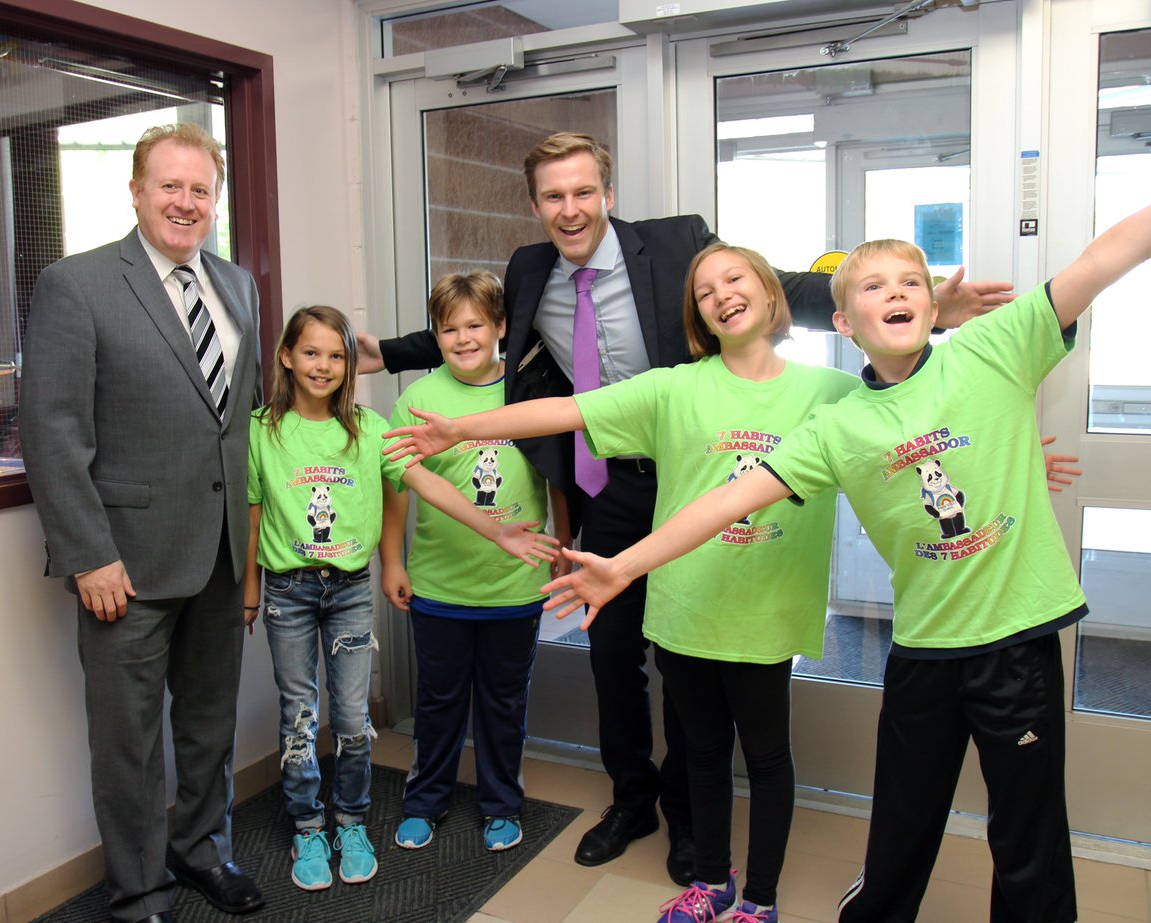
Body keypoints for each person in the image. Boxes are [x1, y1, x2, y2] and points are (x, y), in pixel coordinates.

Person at [358, 130, 1015, 884]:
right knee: (612, 653)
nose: (569, 210)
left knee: (685, 652)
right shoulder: (530, 265)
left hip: (696, 465)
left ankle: (691, 822)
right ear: (535, 203)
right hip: (613, 477)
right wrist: (391, 354)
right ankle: (632, 798)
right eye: (552, 197)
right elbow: (478, 329)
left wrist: (923, 310)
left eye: (582, 193)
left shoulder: (677, 243)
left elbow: (775, 286)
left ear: (606, 192)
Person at [539, 204, 1151, 922]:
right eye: (874, 286)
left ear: (933, 304)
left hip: (1017, 644)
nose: (896, 292)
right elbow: (727, 501)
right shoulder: (838, 421)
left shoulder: (994, 347)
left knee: (1028, 834)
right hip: (923, 647)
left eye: (911, 282)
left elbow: (1102, 259)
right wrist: (625, 566)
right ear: (843, 323)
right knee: (900, 824)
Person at [383, 243, 858, 922]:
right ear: (695, 314)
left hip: (767, 612)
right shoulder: (675, 386)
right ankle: (710, 882)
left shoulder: (829, 391)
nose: (721, 294)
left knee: (766, 757)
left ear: (772, 293)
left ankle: (759, 897)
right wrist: (460, 427)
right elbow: (563, 414)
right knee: (699, 754)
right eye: (704, 291)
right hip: (685, 606)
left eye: (736, 279)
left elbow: (911, 416)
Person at [20, 123, 264, 923]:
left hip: (221, 555)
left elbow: (234, 423)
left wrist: (252, 552)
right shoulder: (77, 284)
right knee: (127, 747)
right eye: (170, 186)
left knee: (206, 728)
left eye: (200, 189)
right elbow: (52, 431)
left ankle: (200, 851)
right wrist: (88, 555)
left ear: (214, 200)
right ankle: (138, 891)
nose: (185, 202)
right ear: (135, 190)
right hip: (124, 563)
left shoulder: (236, 284)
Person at [243, 305, 557, 893]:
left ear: (351, 365)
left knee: (355, 719)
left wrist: (496, 530)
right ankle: (309, 826)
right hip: (288, 590)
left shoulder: (369, 428)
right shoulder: (261, 429)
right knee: (300, 715)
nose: (324, 365)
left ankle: (353, 821)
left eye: (336, 355)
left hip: (353, 592)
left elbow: (423, 483)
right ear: (286, 356)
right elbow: (254, 510)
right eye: (310, 353)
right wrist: (250, 590)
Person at [386, 272, 570, 855]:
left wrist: (565, 546)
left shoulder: (528, 392)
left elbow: (557, 478)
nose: (463, 338)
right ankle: (425, 800)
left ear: (500, 328)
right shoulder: (417, 401)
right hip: (441, 584)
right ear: (435, 336)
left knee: (503, 700)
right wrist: (393, 562)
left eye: (474, 326)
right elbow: (397, 487)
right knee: (437, 700)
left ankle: (500, 803)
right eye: (449, 329)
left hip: (515, 587)